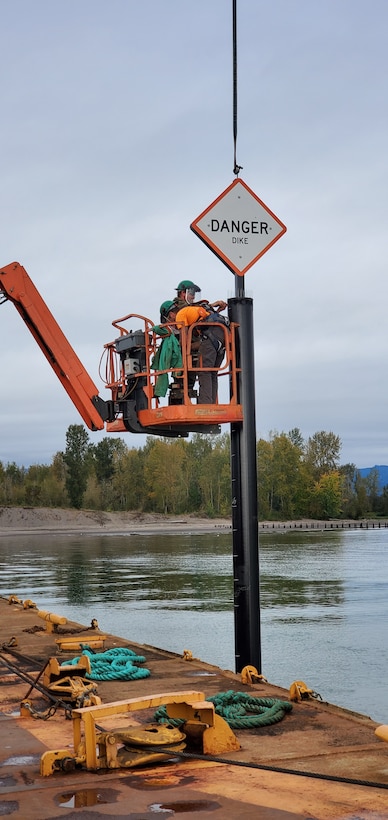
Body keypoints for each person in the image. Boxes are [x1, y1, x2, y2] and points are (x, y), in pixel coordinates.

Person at [175, 302, 229, 404]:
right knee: (212, 372)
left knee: (204, 370)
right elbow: (202, 344)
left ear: (172, 314)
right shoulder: (199, 310)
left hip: (212, 334)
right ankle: (211, 402)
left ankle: (206, 403)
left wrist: (177, 348)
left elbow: (184, 341)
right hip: (224, 334)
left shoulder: (180, 315)